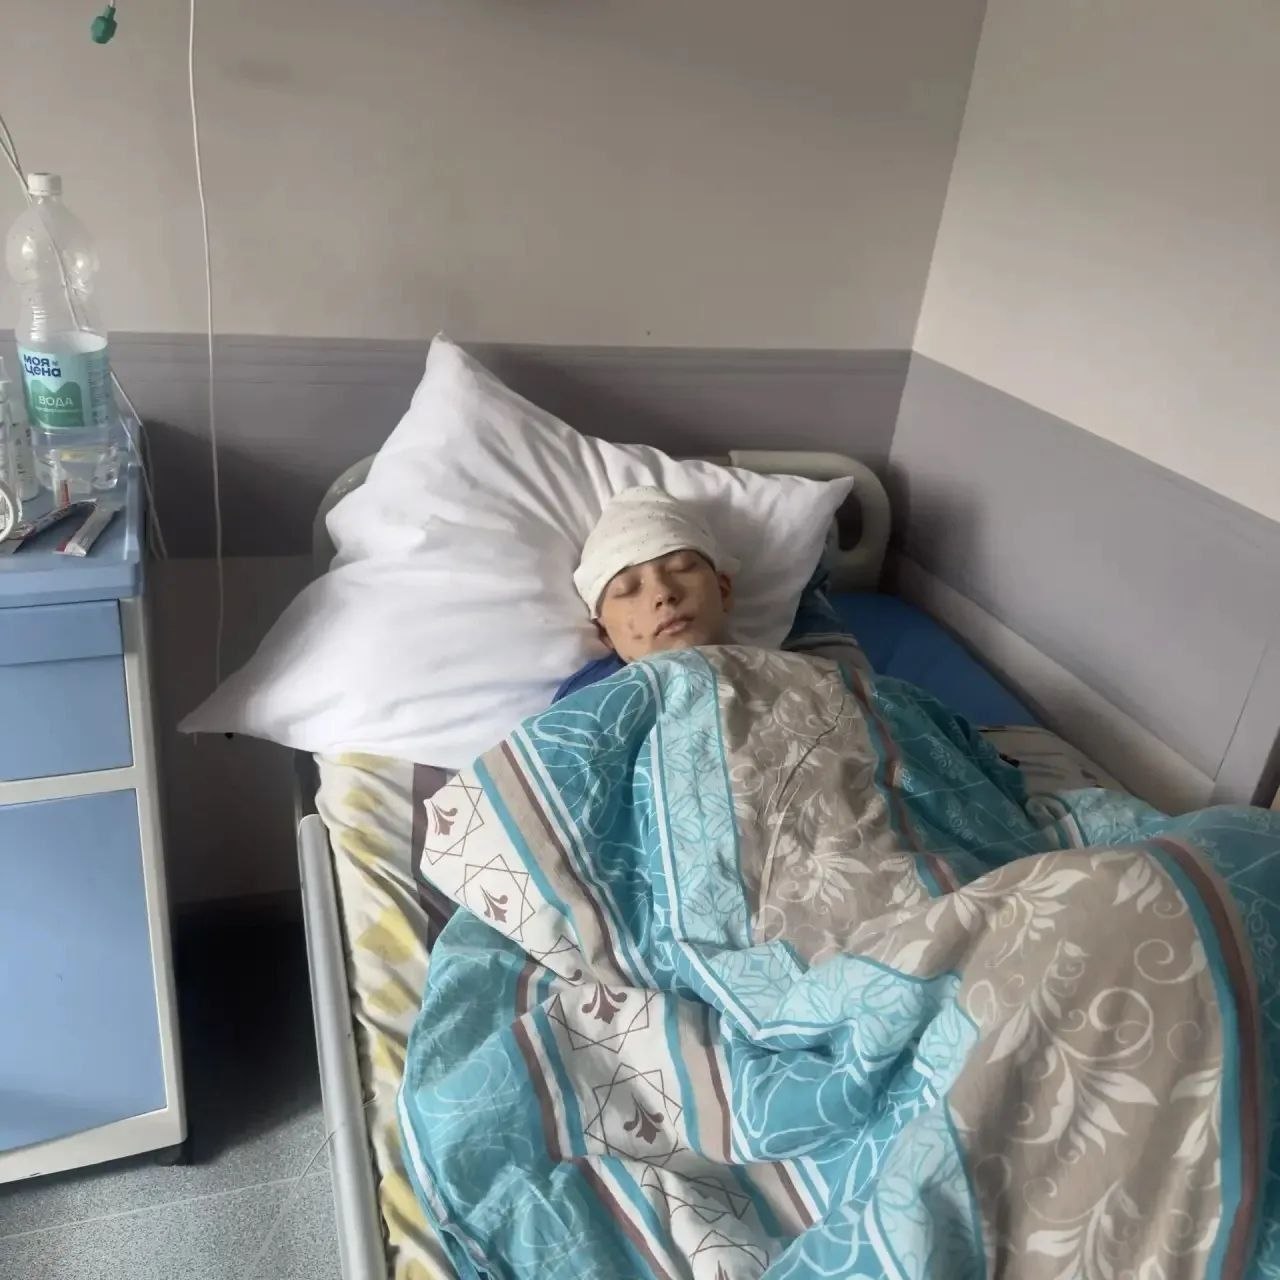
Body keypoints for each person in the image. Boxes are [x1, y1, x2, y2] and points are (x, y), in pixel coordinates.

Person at [555, 486, 736, 701]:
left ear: (723, 590)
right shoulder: (588, 697)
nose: (663, 593)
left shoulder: (767, 670)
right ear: (605, 632)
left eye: (681, 568)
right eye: (627, 590)